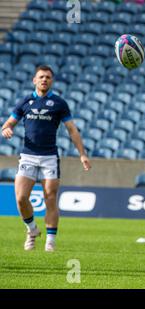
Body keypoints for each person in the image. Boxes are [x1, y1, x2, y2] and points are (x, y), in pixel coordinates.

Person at [1, 65, 91, 252]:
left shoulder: (59, 103)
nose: (44, 79)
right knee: (21, 198)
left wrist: (82, 154)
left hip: (49, 157)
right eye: (41, 77)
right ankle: (32, 230)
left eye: (48, 77)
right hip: (28, 156)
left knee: (50, 198)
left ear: (52, 81)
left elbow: (72, 130)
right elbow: (8, 123)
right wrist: (7, 129)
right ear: (34, 80)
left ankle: (50, 241)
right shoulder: (25, 101)